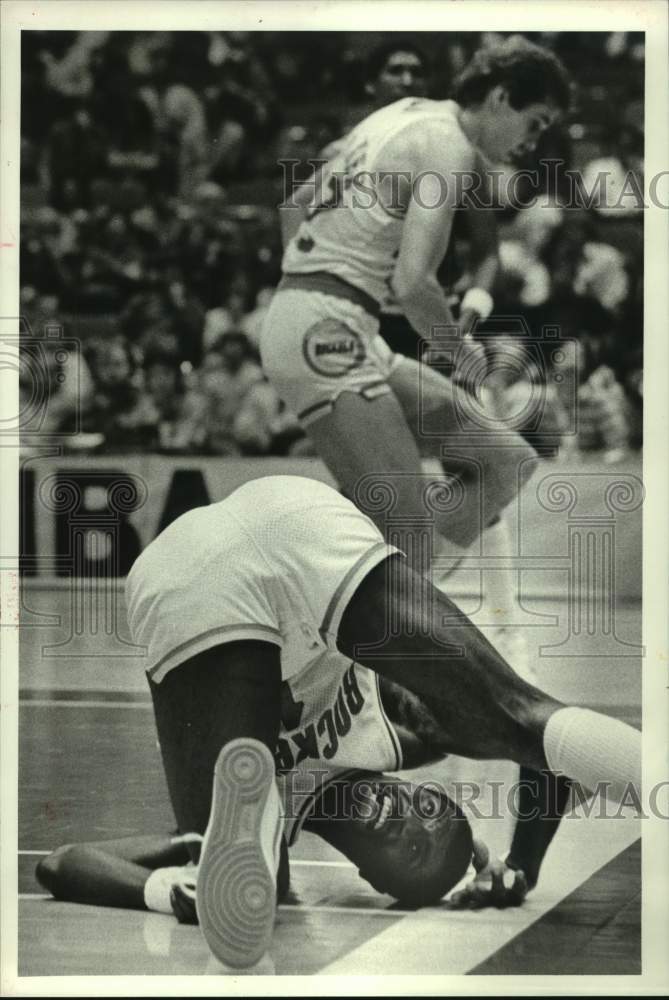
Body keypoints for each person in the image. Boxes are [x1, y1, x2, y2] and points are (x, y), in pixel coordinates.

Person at [120, 475, 640, 969]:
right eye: (430, 805)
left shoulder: (270, 834)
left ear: (374, 875)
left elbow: (65, 864)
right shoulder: (407, 737)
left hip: (191, 576)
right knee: (519, 718)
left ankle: (234, 840)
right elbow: (547, 762)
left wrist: (160, 891)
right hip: (296, 525)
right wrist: (523, 862)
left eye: (415, 848)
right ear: (416, 788)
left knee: (252, 886)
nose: (405, 818)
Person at [262, 35, 572, 582]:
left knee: (506, 460)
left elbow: (294, 203)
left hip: (344, 326)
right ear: (501, 97)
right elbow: (415, 283)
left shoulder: (402, 114)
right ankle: (377, 621)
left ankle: (405, 595)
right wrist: (464, 353)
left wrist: (320, 272)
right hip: (326, 330)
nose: (533, 142)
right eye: (537, 122)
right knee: (410, 541)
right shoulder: (446, 146)